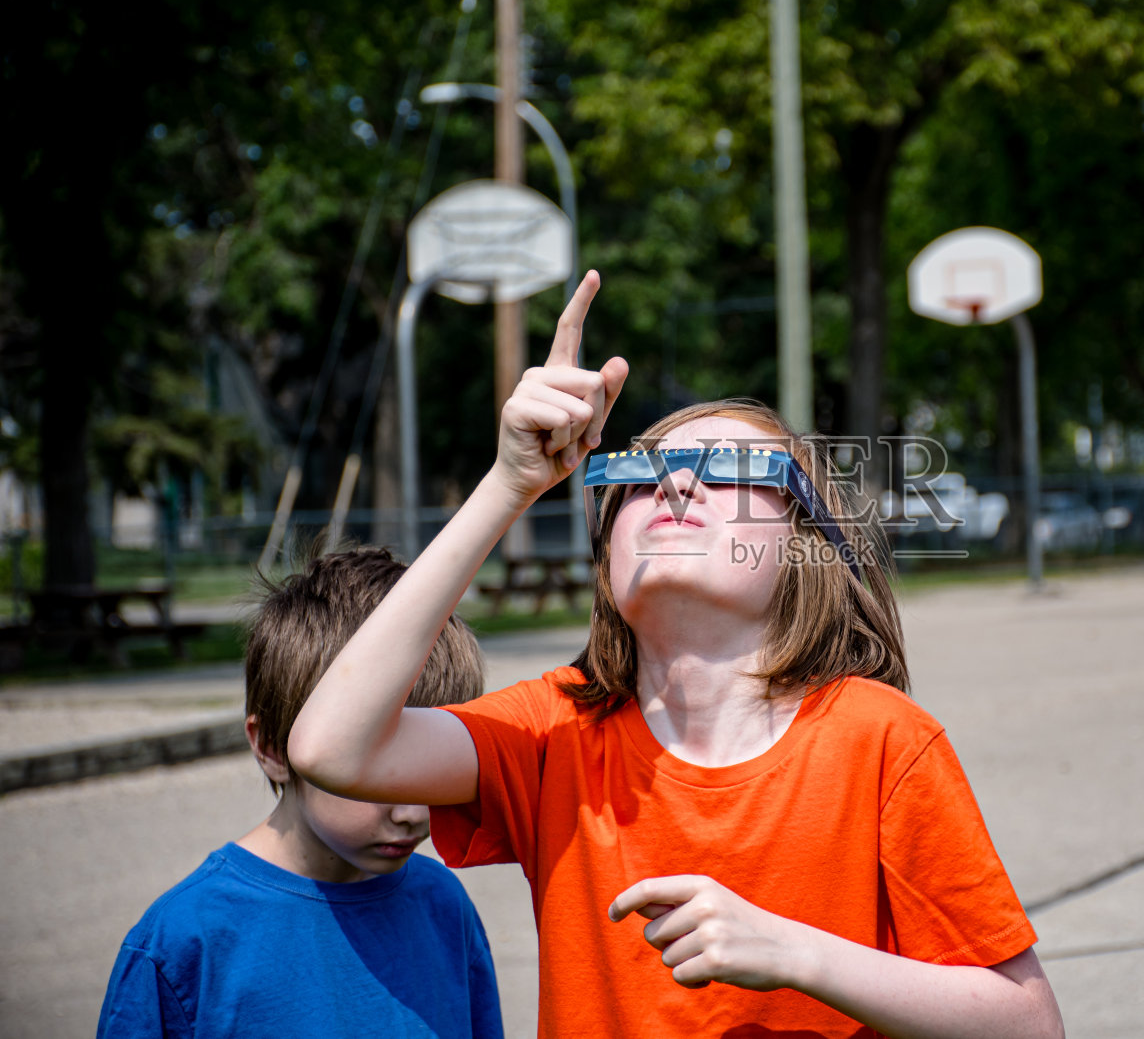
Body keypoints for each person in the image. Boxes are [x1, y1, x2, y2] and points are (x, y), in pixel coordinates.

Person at [289, 272, 1064, 1039]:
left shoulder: (883, 740)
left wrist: (798, 953)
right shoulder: (554, 730)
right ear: (606, 556)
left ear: (806, 546)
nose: (677, 483)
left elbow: (1030, 1024)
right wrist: (508, 483)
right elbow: (329, 746)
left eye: (732, 469)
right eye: (635, 472)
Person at [98, 548, 504, 1039]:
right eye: (375, 769)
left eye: (430, 767)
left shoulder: (443, 907)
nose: (414, 812)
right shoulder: (187, 941)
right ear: (272, 747)